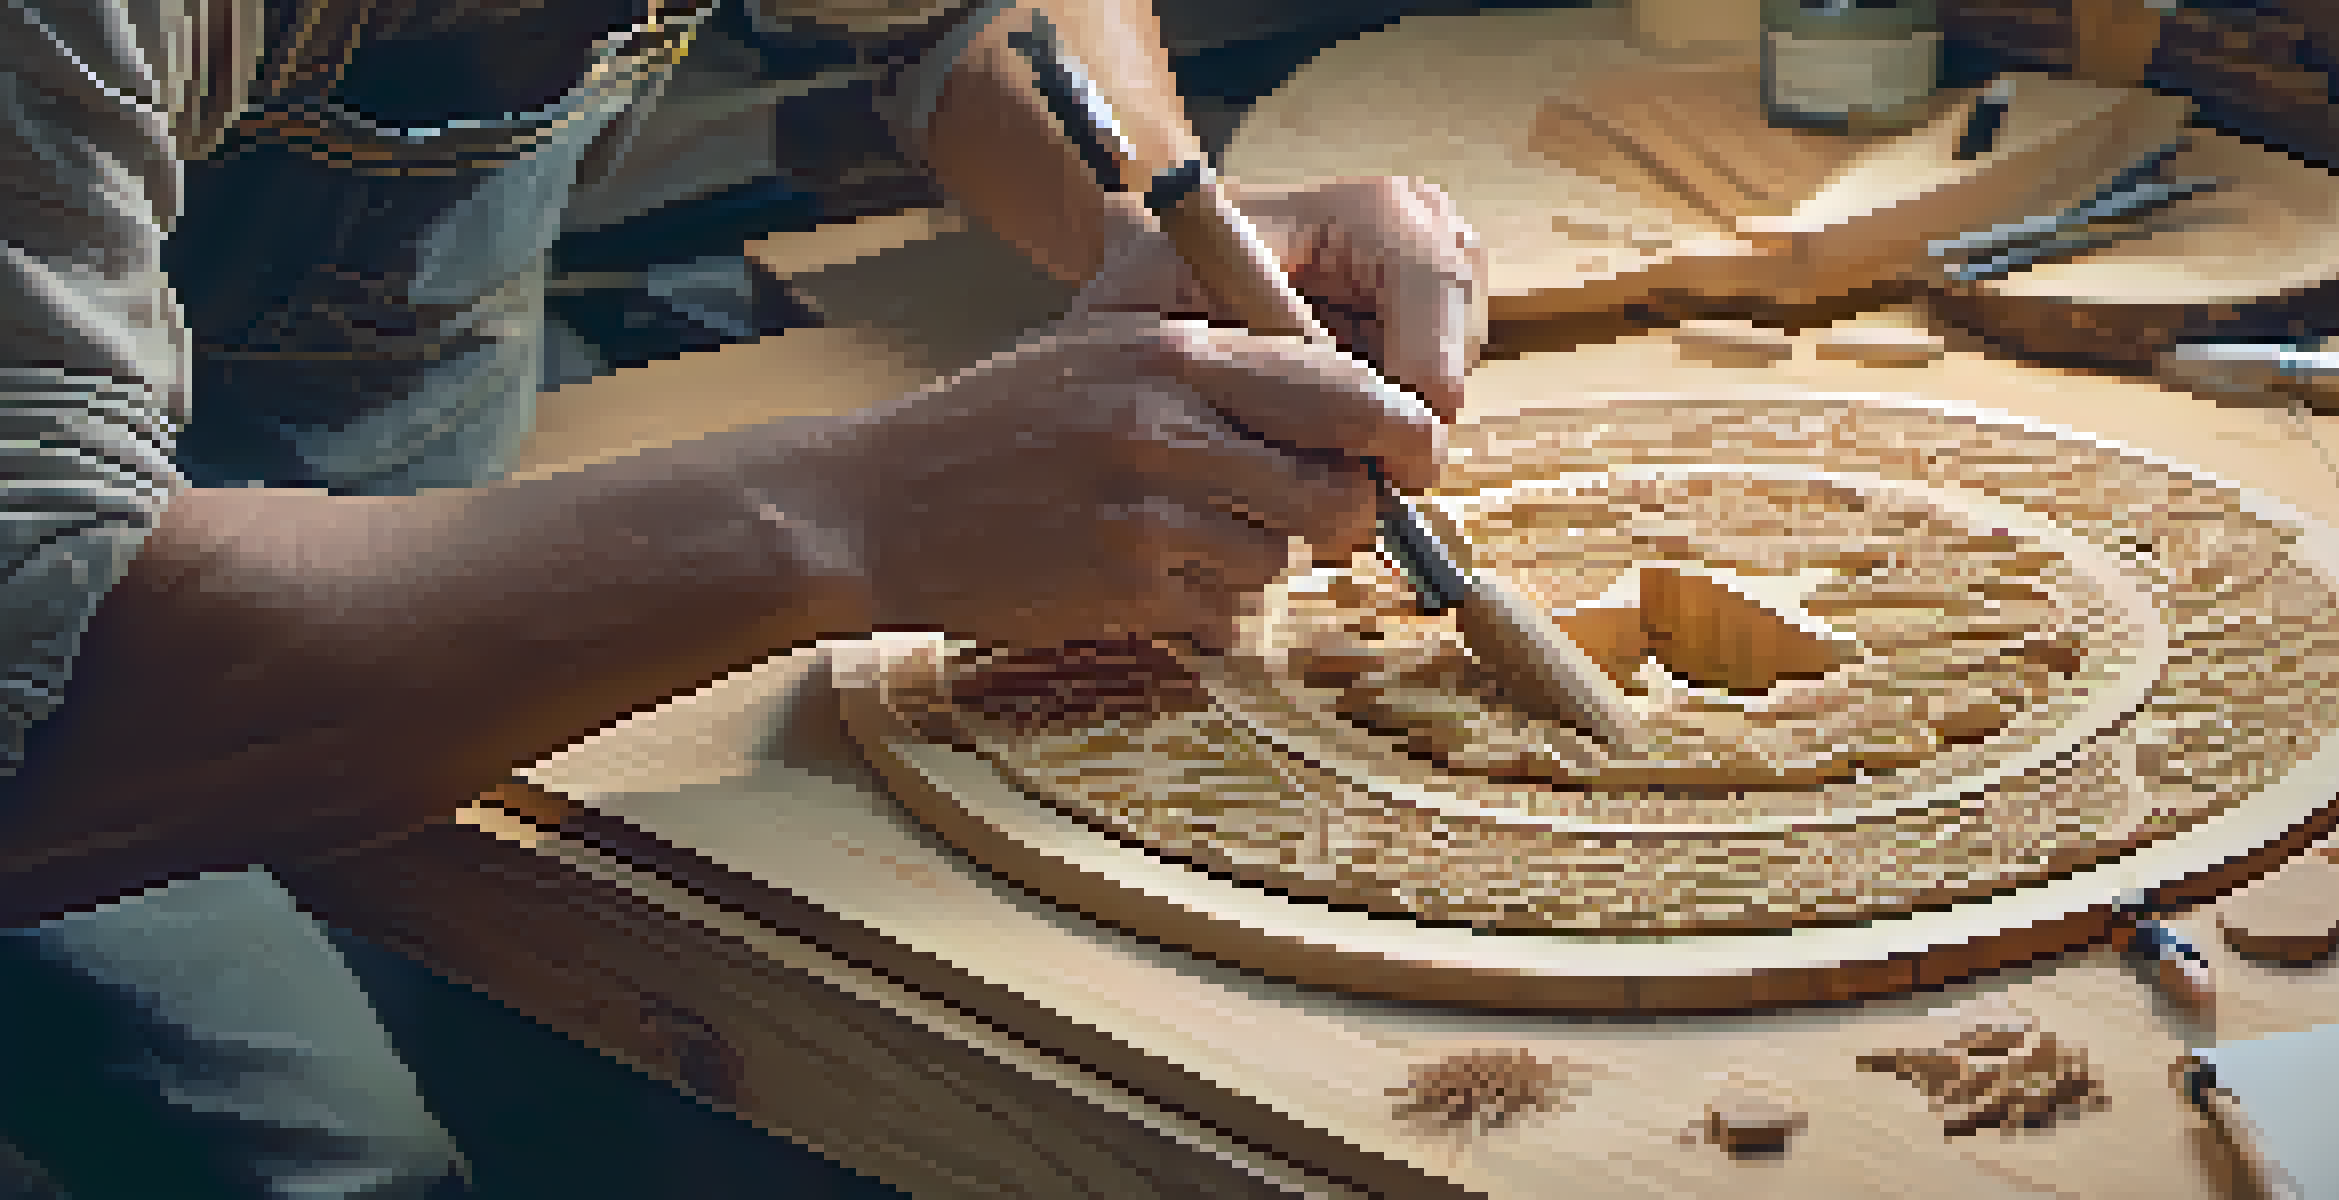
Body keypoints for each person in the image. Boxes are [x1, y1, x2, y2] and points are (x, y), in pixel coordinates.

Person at [0, 0, 1485, 1196]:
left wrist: (1149, 217)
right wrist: (855, 510)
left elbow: (973, 16)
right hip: (106, 701)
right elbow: (57, 670)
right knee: (333, 1163)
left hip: (436, 503)